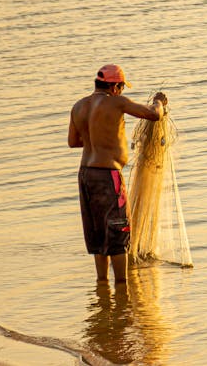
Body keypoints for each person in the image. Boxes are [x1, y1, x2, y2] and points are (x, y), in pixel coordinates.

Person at [68, 64, 167, 284]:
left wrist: (97, 137)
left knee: (98, 233)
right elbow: (153, 115)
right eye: (121, 87)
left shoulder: (78, 106)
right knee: (118, 230)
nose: (121, 92)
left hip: (86, 176)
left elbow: (73, 142)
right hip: (107, 176)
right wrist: (159, 101)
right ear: (114, 87)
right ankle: (122, 288)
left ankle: (102, 283)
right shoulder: (116, 102)